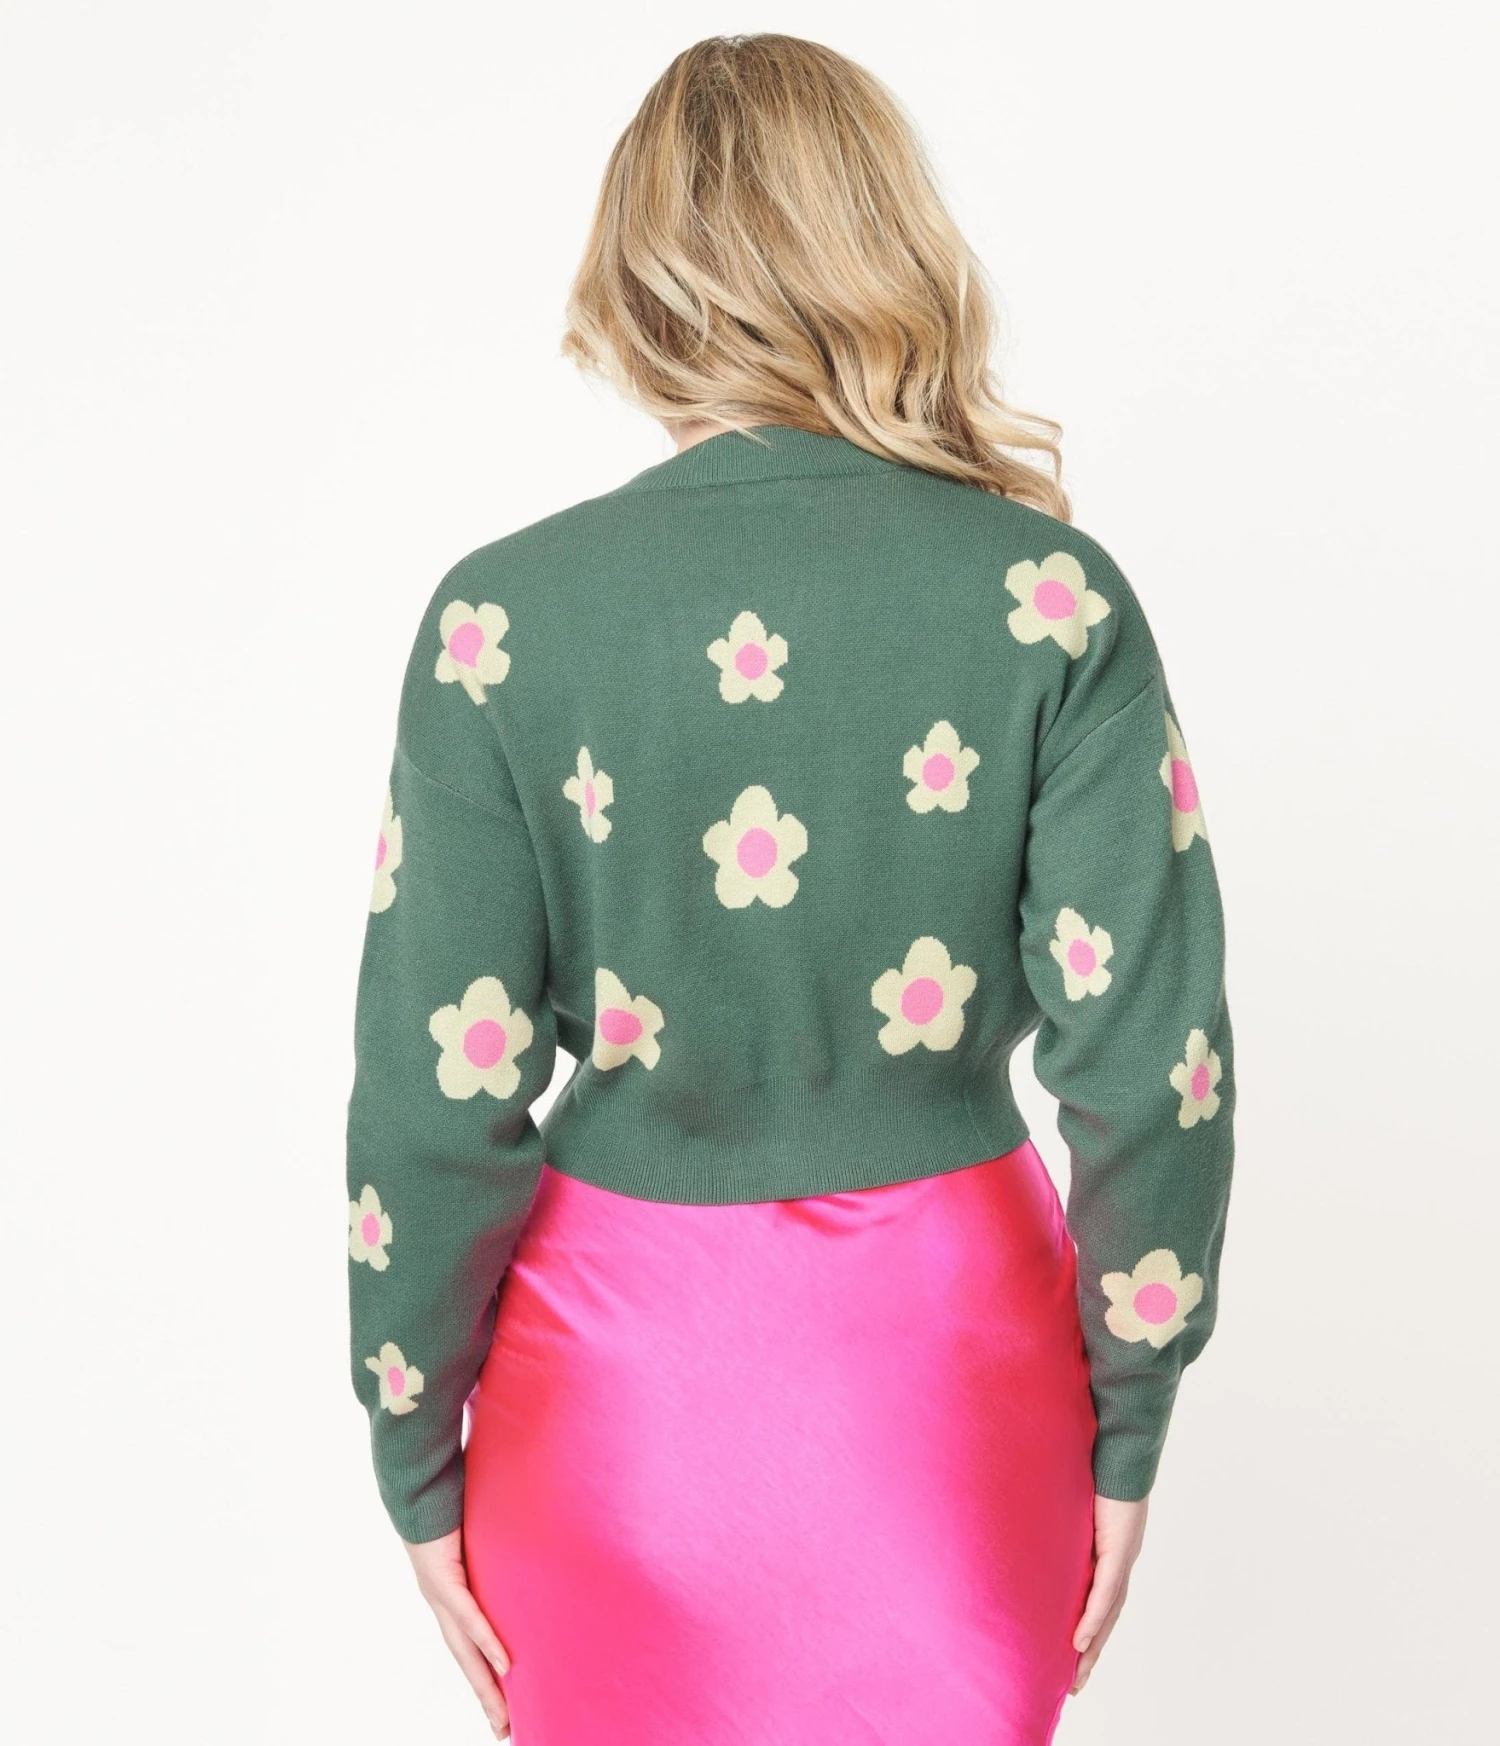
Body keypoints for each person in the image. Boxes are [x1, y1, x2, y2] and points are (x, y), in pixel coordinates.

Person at [345, 32, 1234, 1746]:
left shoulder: (499, 624)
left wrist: (413, 1440)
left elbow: (432, 1096)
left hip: (611, 1404)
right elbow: (1153, 1065)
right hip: (952, 1385)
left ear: (636, 274)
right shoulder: (1051, 599)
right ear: (885, 241)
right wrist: (1129, 1417)